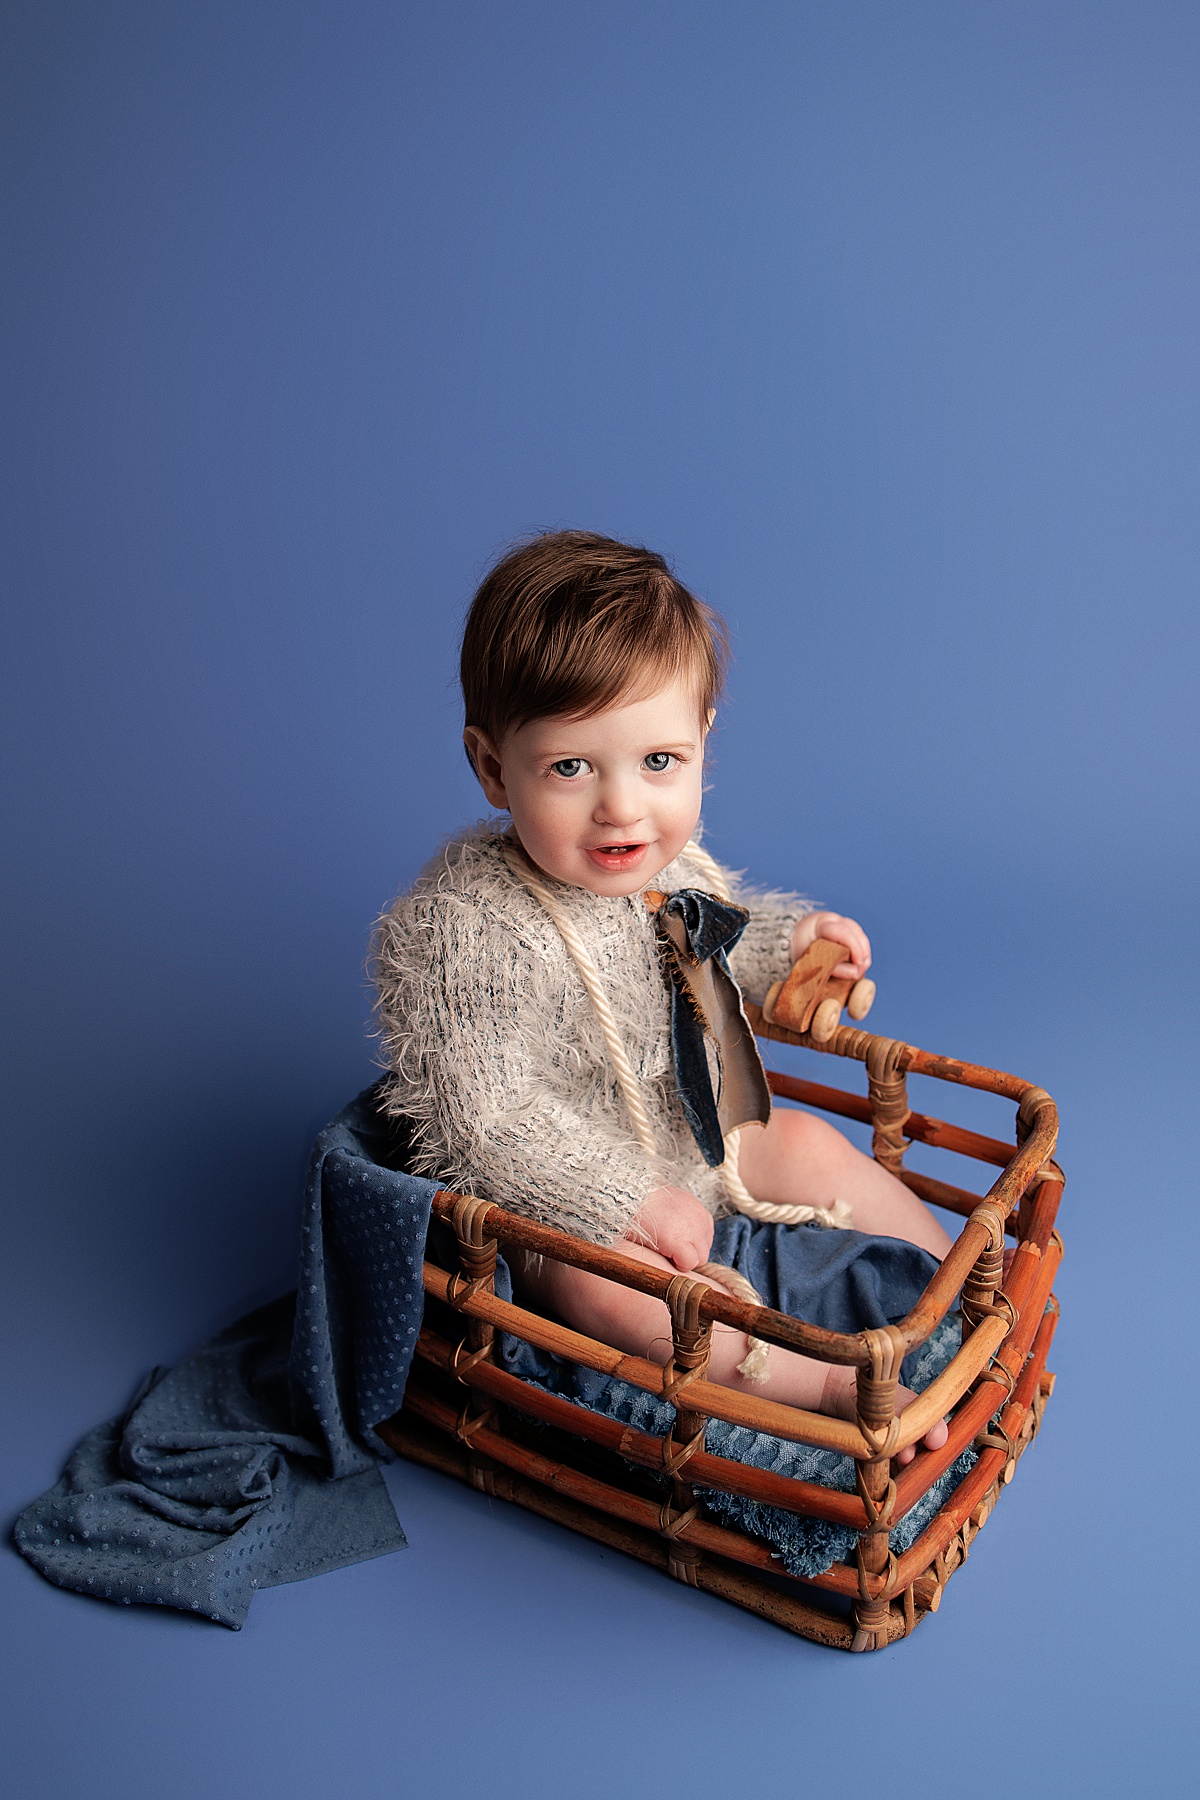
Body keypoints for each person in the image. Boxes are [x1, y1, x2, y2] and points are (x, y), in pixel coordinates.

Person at [373, 531, 951, 1462]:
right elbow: (482, 1120)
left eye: (658, 762)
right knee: (605, 1291)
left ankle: (949, 1299)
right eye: (570, 767)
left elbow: (707, 938)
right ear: (492, 767)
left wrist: (786, 946)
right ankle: (823, 1386)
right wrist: (621, 1203)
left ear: (703, 736)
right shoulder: (466, 928)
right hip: (564, 1210)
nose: (622, 808)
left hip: (694, 1146)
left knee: (800, 1138)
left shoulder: (665, 863)